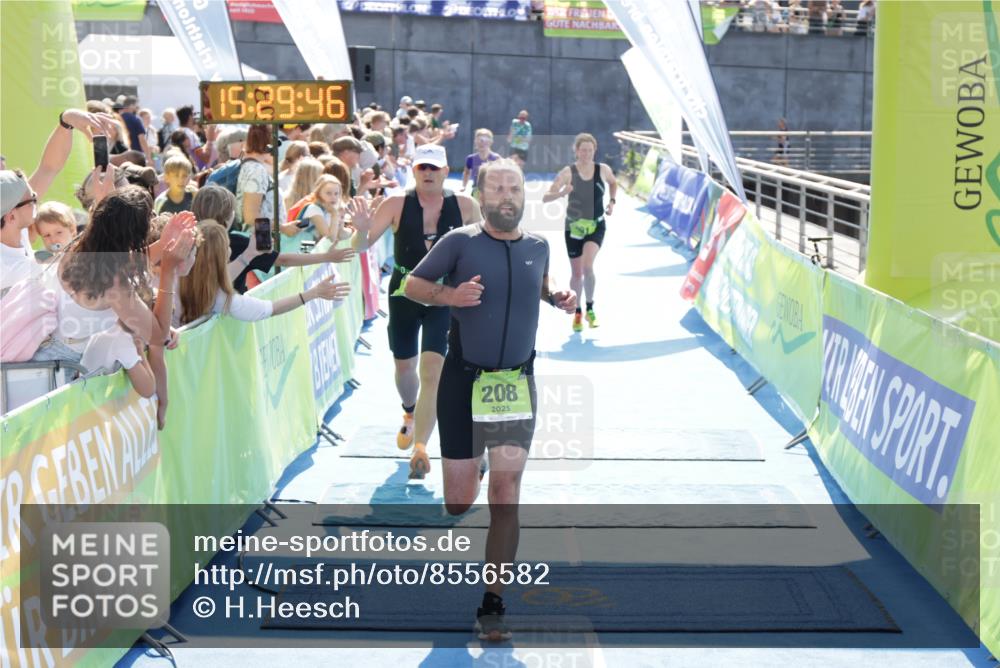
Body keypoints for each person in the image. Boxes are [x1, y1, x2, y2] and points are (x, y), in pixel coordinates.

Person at [403, 158, 576, 641]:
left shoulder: (539, 246)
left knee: (506, 496)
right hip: (463, 383)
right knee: (459, 503)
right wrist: (449, 297)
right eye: (496, 187)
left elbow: (535, 285)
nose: (505, 195)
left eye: (513, 188)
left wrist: (555, 295)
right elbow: (411, 285)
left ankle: (493, 604)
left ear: (523, 195)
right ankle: (471, 464)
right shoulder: (460, 242)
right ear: (480, 194)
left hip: (516, 385)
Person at [348, 144, 482, 479]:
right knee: (405, 370)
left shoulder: (465, 205)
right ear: (414, 171)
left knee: (432, 374)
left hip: (442, 296)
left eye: (434, 168)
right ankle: (409, 413)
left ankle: (421, 448)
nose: (428, 173)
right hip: (403, 294)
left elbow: (485, 247)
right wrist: (362, 229)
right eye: (422, 167)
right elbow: (360, 246)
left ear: (445, 170)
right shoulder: (395, 203)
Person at [34, 184, 195, 363]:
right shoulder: (113, 284)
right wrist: (168, 270)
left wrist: (164, 242)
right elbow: (158, 336)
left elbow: (125, 262)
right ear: (132, 233)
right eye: (149, 217)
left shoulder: (83, 247)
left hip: (51, 353)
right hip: (65, 368)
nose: (153, 222)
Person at [1, 108, 118, 293]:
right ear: (10, 216)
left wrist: (66, 121)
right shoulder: (8, 269)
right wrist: (103, 204)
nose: (35, 197)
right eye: (30, 198)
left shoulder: (15, 225)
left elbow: (49, 167)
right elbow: (85, 265)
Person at [178, 221, 350, 326]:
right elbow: (270, 309)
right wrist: (314, 293)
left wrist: (249, 255)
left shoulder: (177, 279)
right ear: (222, 254)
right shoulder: (222, 299)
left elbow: (218, 279)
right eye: (227, 244)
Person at [543, 133, 616, 332]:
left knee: (587, 267)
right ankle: (577, 312)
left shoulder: (603, 169)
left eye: (590, 150)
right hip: (573, 227)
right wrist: (561, 193)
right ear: (576, 151)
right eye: (582, 150)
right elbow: (546, 197)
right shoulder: (568, 172)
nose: (586, 154)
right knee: (576, 272)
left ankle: (590, 307)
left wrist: (611, 202)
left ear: (595, 151)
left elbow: (613, 182)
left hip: (596, 225)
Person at [463, 129, 501, 195]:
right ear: (475, 141)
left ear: (490, 142)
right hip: (477, 190)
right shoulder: (471, 158)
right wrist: (464, 186)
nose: (482, 142)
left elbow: (501, 175)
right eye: (479, 140)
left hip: (492, 190)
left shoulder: (496, 158)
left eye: (485, 140)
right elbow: (466, 173)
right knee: (476, 203)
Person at [119, 95, 153, 166]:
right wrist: (148, 157)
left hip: (121, 155)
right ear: (131, 106)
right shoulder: (136, 120)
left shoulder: (118, 118)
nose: (137, 108)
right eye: (136, 106)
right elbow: (142, 139)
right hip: (136, 155)